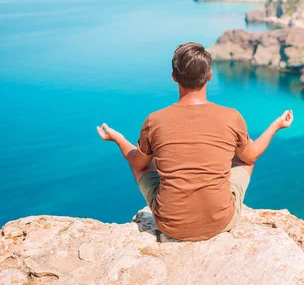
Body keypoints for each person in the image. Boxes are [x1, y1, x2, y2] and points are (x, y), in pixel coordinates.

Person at [96, 42, 293, 241]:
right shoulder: (231, 116)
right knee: (245, 158)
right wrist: (276, 125)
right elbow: (250, 156)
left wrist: (117, 138)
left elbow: (139, 163)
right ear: (209, 76)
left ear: (174, 77)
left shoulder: (154, 120)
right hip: (221, 221)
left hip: (170, 225)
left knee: (142, 162)